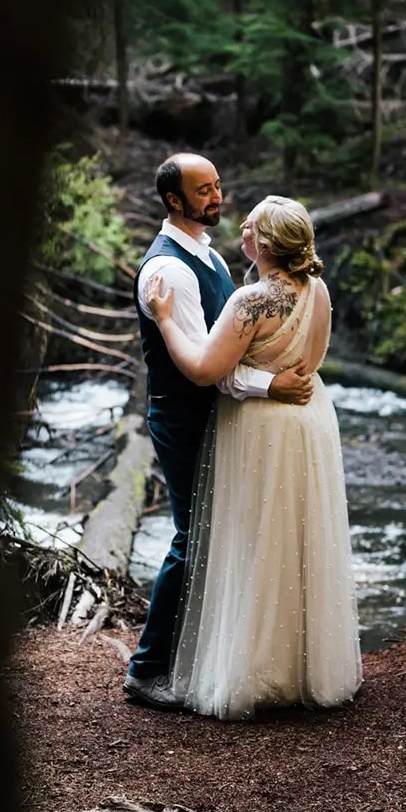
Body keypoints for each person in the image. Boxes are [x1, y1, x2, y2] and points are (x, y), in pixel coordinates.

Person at [145, 194, 362, 719]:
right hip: (309, 422)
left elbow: (202, 369)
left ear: (262, 243)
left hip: (261, 426)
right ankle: (305, 667)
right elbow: (310, 360)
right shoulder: (319, 290)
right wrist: (279, 379)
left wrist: (165, 318)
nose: (239, 227)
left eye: (250, 225)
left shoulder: (252, 301)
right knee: (300, 536)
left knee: (256, 539)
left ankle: (257, 671)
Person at [122, 155, 314, 710]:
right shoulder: (170, 272)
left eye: (217, 185)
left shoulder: (206, 256)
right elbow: (204, 367)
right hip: (184, 417)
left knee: (216, 535)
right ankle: (147, 668)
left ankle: (200, 655)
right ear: (173, 201)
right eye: (202, 190)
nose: (216, 196)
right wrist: (270, 385)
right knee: (192, 537)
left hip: (218, 414)